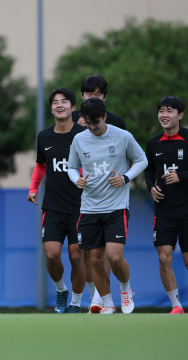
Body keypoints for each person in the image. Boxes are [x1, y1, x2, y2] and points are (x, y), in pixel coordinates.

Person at [67, 98, 147, 314]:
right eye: (89, 125)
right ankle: (108, 304)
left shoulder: (123, 136)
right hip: (89, 208)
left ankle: (125, 288)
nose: (93, 129)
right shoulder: (79, 139)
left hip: (116, 207)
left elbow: (142, 160)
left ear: (104, 117)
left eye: (97, 124)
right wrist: (77, 180)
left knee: (114, 257)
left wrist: (125, 178)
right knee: (94, 260)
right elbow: (72, 167)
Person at [145, 96, 188, 314]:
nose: (164, 115)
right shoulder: (153, 143)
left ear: (180, 115)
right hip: (164, 210)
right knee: (163, 256)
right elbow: (148, 170)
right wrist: (150, 186)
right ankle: (176, 305)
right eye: (161, 110)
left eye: (170, 111)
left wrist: (181, 176)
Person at [70, 74, 126, 311]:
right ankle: (95, 296)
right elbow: (66, 160)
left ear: (104, 99)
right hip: (76, 192)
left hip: (107, 197)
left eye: (98, 95)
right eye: (89, 94)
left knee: (108, 252)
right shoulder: (71, 121)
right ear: (81, 96)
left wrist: (122, 178)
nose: (93, 98)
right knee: (84, 253)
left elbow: (127, 157)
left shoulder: (116, 124)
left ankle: (102, 298)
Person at [27, 88, 86, 313]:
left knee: (76, 256)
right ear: (51, 107)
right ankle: (61, 290)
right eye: (54, 102)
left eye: (64, 102)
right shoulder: (44, 136)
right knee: (51, 255)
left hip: (81, 207)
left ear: (73, 107)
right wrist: (33, 188)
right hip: (52, 206)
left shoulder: (84, 135)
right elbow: (41, 165)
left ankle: (76, 303)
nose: (59, 105)